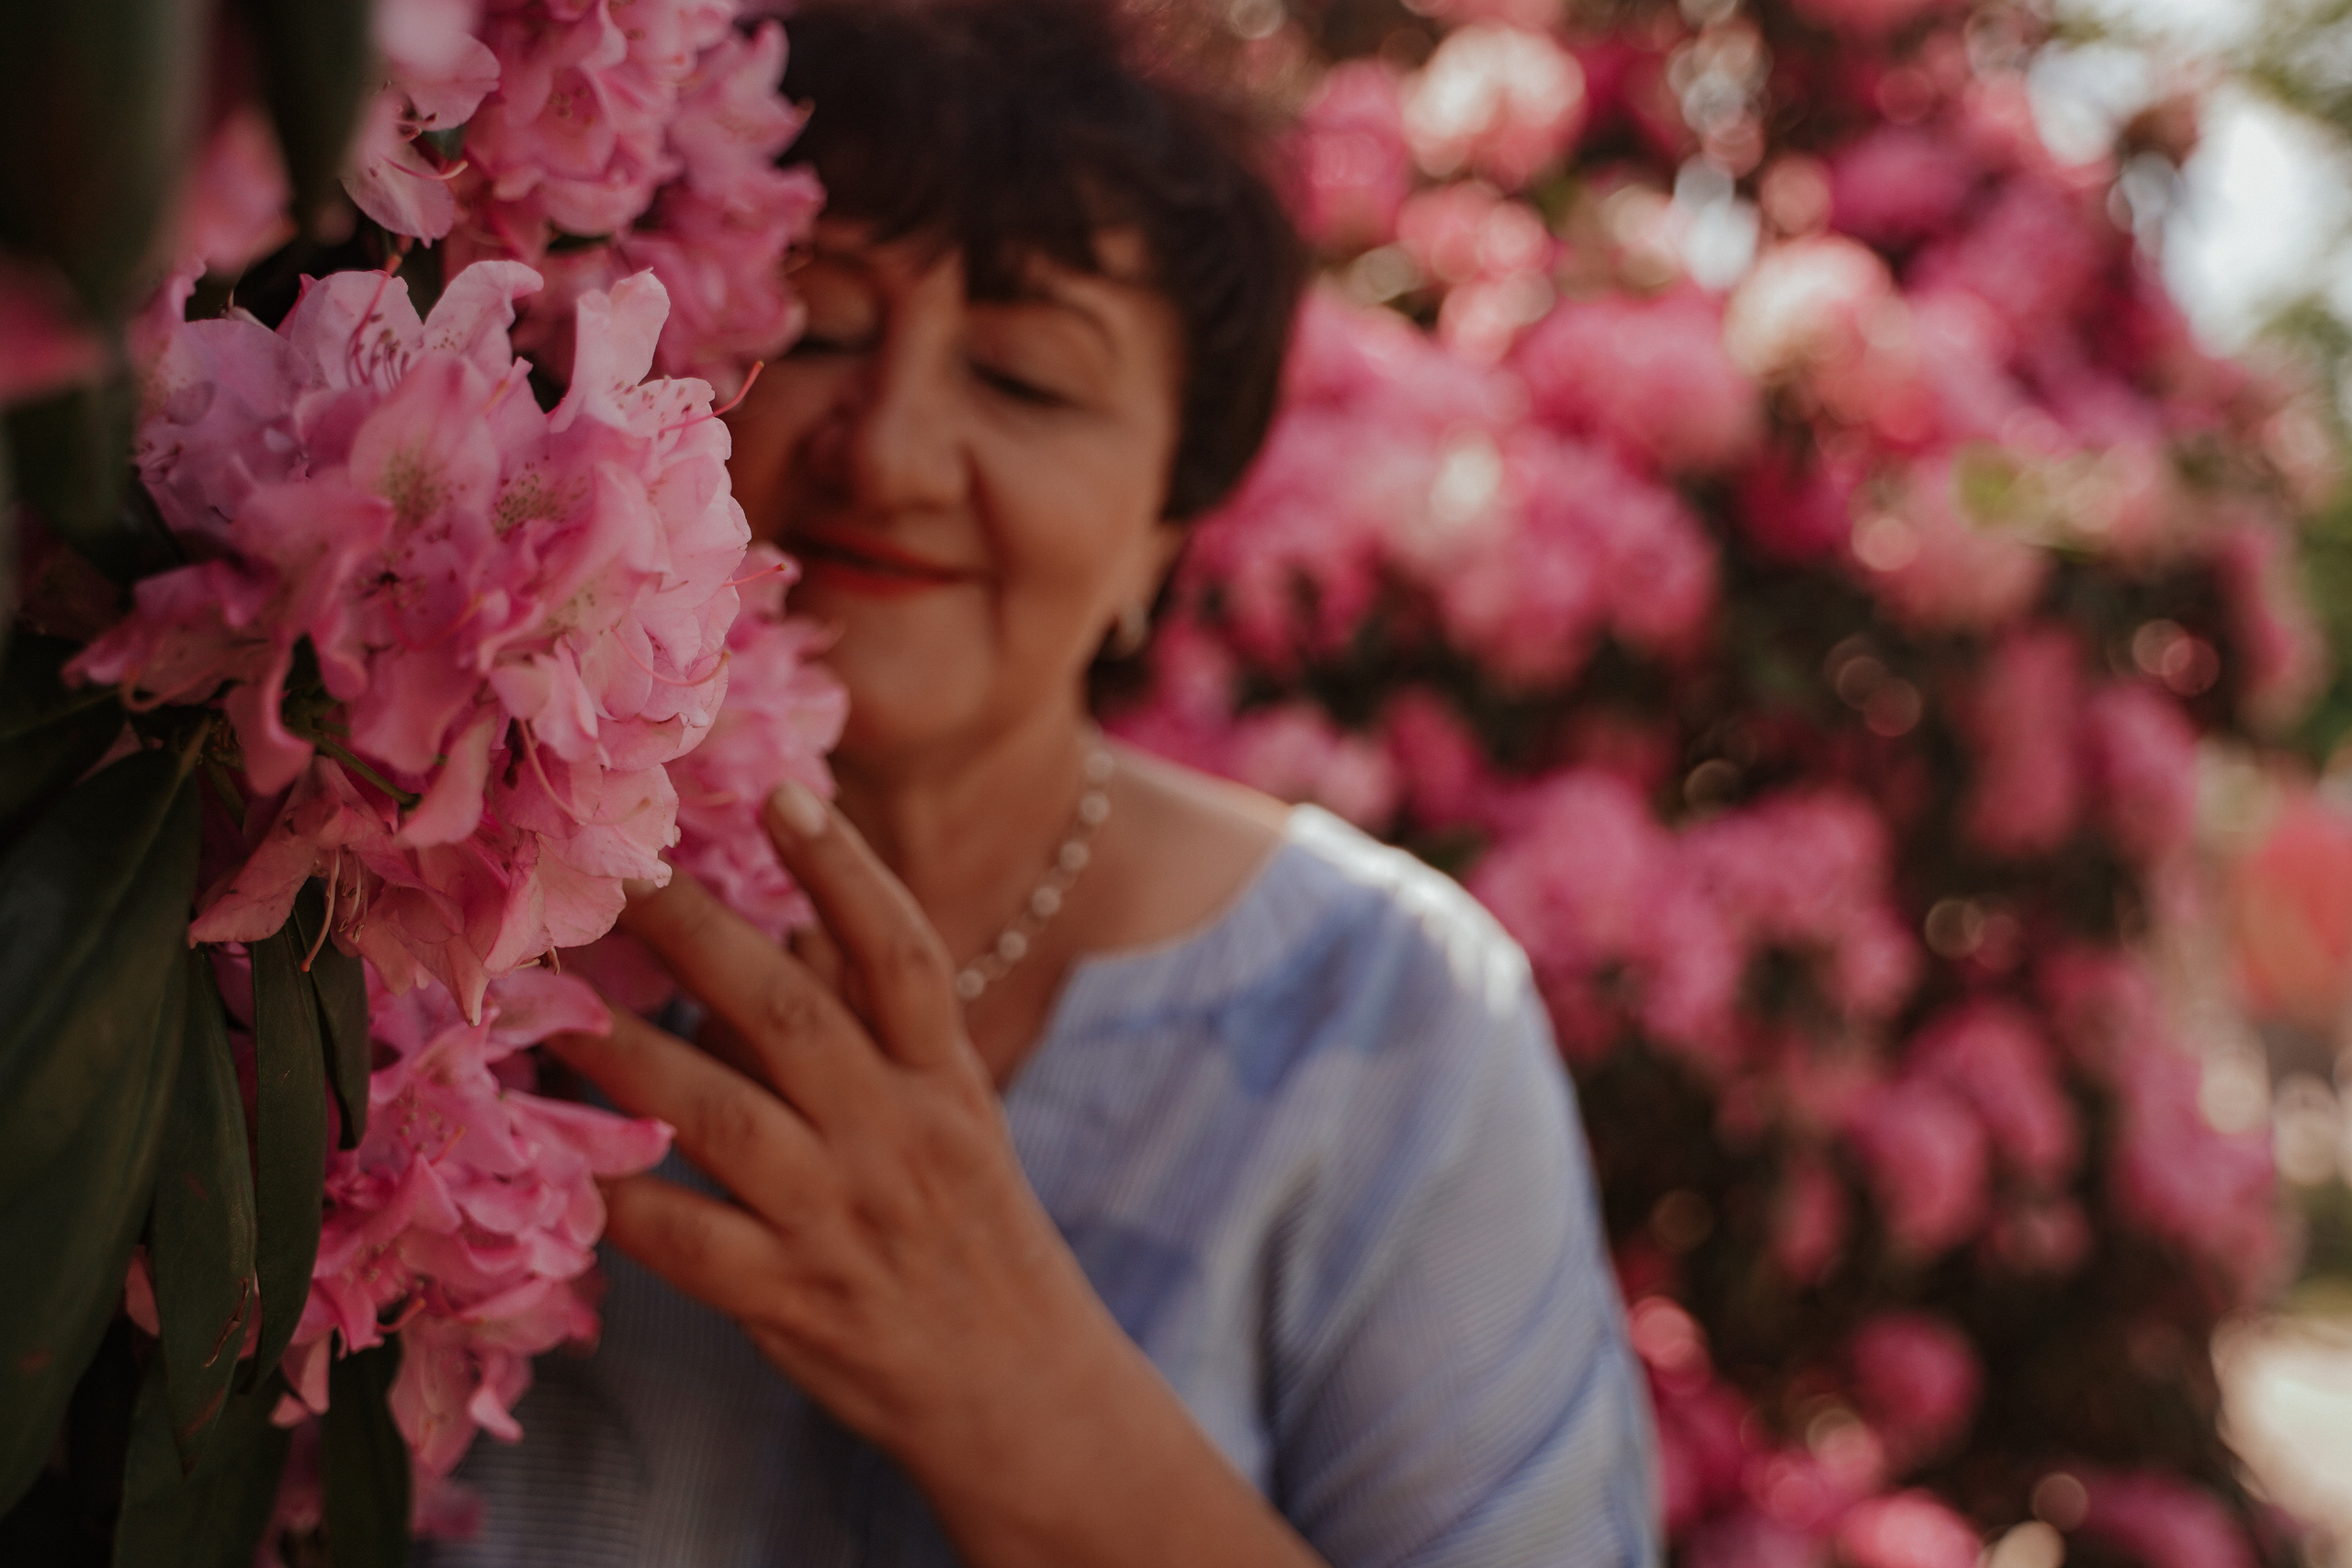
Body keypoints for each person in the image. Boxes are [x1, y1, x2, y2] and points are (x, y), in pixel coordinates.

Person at [422, 2, 1659, 1563]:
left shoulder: (1386, 1016)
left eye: (1024, 377)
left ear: (1165, 527)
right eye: (817, 330)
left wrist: (1014, 1395)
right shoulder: (435, 887)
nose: (894, 453)